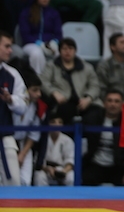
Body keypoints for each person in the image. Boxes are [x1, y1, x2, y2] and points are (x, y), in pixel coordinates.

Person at [83, 89, 124, 186]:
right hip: (96, 165)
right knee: (83, 182)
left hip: (119, 167)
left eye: (117, 101)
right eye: (110, 100)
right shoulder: (93, 119)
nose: (113, 104)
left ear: (122, 105)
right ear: (104, 103)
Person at [40, 37, 103, 131]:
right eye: (64, 49)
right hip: (64, 102)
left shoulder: (86, 67)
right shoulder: (51, 66)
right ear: (60, 51)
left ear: (75, 51)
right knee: (63, 113)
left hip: (84, 101)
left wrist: (88, 98)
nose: (67, 51)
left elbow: (95, 85)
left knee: (97, 113)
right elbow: (43, 81)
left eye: (70, 48)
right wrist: (54, 92)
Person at [0, 30, 28, 186]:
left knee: (14, 184)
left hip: (5, 137)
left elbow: (23, 106)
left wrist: (11, 100)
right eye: (6, 46)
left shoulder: (12, 74)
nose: (10, 50)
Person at [18, 0, 62, 75]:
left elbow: (58, 33)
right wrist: (39, 44)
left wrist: (54, 42)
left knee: (60, 54)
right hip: (31, 44)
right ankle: (38, 79)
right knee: (36, 53)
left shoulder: (54, 13)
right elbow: (25, 35)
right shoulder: (26, 13)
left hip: (49, 44)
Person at [12, 72, 45, 186]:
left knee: (25, 181)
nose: (39, 94)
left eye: (39, 90)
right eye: (35, 90)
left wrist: (22, 154)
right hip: (7, 142)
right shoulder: (12, 103)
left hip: (24, 144)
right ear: (25, 90)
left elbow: (33, 134)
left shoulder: (37, 107)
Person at [32, 114, 74, 186]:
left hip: (62, 169)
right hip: (46, 169)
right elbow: (37, 160)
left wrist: (64, 171)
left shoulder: (67, 140)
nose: (56, 125)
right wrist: (48, 169)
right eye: (53, 122)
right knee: (39, 176)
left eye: (60, 122)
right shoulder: (42, 139)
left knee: (71, 177)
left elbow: (70, 160)